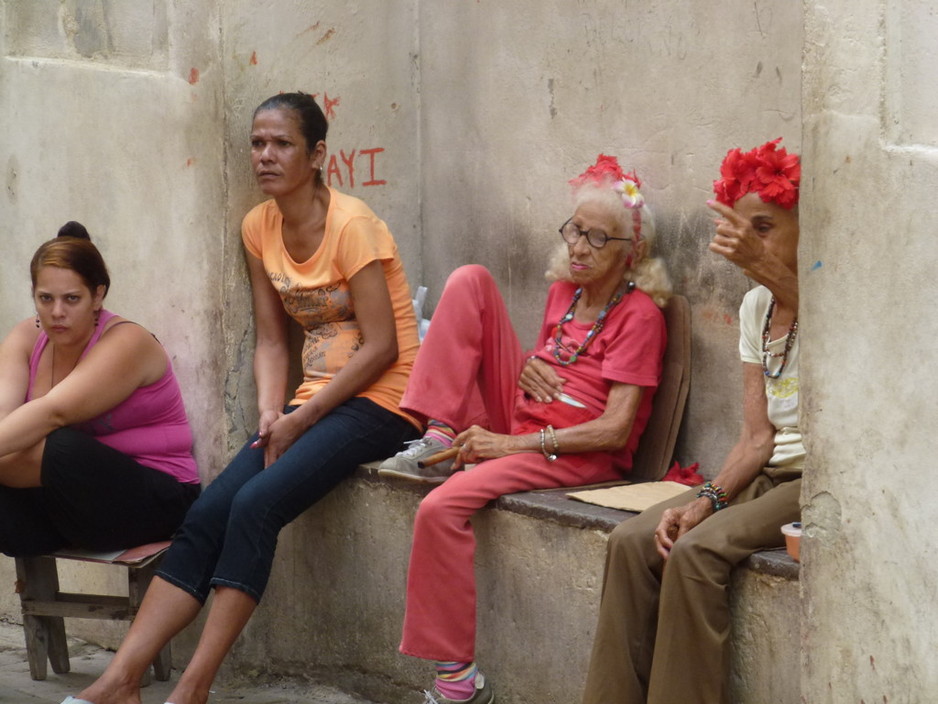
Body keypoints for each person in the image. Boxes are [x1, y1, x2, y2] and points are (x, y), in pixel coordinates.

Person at [69, 92, 421, 704]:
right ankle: (120, 681)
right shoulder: (259, 226)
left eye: (282, 144)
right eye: (258, 143)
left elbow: (383, 347)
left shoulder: (353, 224)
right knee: (207, 512)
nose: (265, 155)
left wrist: (301, 416)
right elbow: (271, 340)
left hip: (385, 402)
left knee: (256, 505)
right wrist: (270, 410)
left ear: (316, 155)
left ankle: (194, 688)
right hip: (313, 402)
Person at [377, 154, 672, 704]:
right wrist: (532, 364)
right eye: (575, 231)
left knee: (440, 508)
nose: (579, 248)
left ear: (630, 253)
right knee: (470, 280)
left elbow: (613, 431)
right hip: (530, 420)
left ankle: (457, 684)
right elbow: (546, 373)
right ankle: (440, 431)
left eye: (598, 239)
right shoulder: (564, 292)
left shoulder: (640, 318)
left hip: (577, 454)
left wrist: (506, 443)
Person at [580, 138, 803, 704]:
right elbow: (756, 439)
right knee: (634, 540)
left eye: (766, 227)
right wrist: (703, 500)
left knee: (698, 553)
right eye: (743, 227)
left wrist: (771, 272)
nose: (751, 242)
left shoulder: (836, 298)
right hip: (767, 469)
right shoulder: (757, 305)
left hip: (818, 482)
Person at [0, 222, 200, 557]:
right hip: (71, 504)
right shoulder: (25, 337)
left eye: (72, 299)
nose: (57, 312)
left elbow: (53, 413)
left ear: (98, 295)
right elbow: (4, 417)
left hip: (154, 500)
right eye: (45, 299)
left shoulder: (127, 342)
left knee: (60, 446)